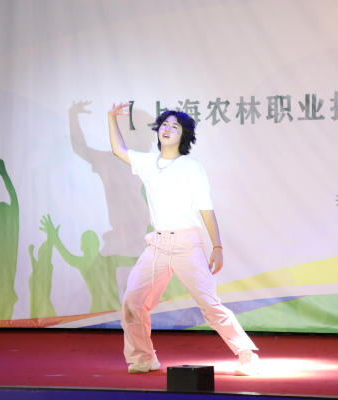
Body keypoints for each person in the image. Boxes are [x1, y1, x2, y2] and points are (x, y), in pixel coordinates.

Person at [107, 102, 260, 376]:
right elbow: (118, 149)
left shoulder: (190, 166)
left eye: (175, 127)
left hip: (187, 245)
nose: (167, 129)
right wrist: (111, 118)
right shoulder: (148, 163)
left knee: (210, 304)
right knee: (133, 301)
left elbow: (205, 208)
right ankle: (144, 357)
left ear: (183, 135)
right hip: (157, 245)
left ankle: (247, 355)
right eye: (164, 125)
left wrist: (217, 246)